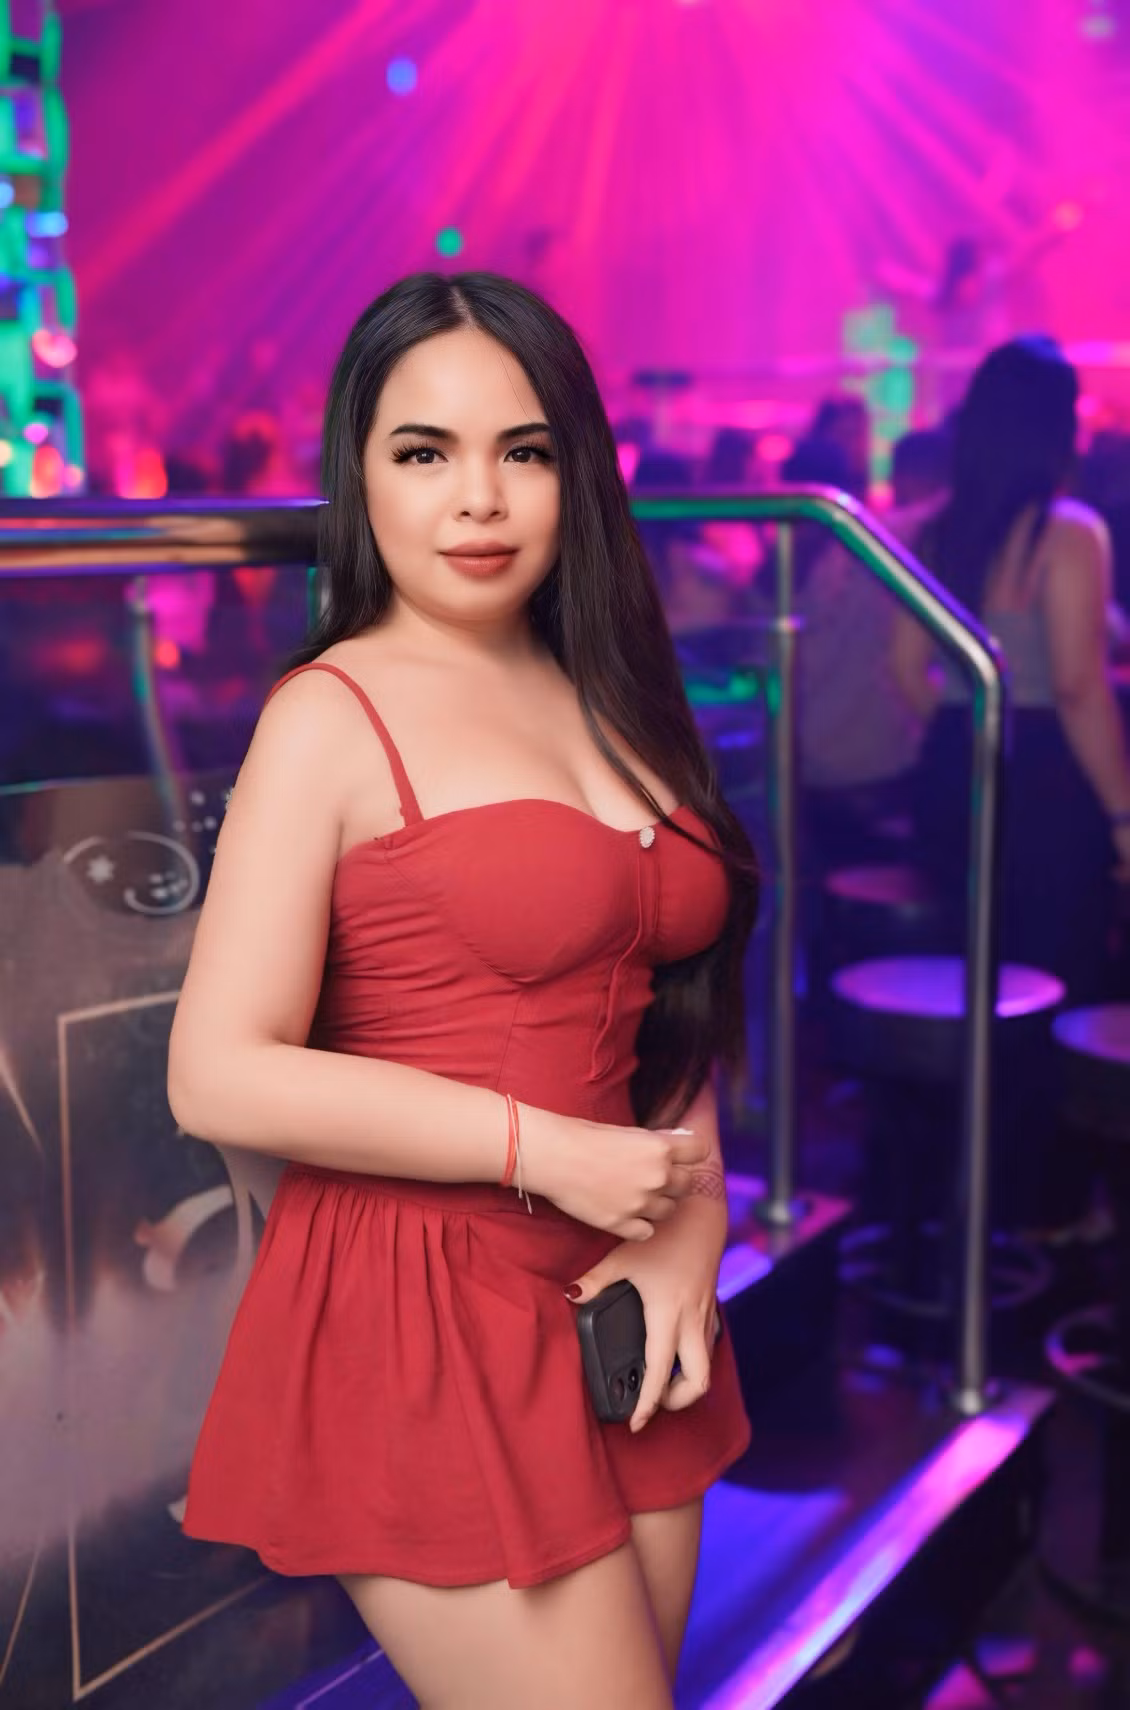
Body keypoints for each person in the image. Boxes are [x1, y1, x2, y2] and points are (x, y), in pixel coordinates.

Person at [167, 271, 759, 1707]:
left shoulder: (607, 685)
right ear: (360, 476)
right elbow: (217, 1070)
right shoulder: (329, 713)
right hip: (420, 1297)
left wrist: (692, 1224)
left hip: (624, 1281)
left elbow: (670, 995)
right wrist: (542, 1149)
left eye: (523, 450)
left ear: (575, 471)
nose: (477, 500)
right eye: (423, 452)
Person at [893, 336, 1130, 999]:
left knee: (968, 972)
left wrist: (965, 731)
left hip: (953, 760)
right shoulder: (1069, 533)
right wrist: (1122, 816)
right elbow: (1078, 688)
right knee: (1052, 973)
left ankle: (972, 1073)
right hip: (1047, 774)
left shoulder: (938, 532)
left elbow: (905, 668)